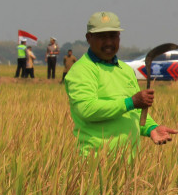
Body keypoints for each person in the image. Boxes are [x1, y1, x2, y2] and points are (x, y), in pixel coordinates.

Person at [65, 11, 176, 157]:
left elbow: (135, 112)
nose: (109, 42)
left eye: (113, 36)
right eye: (102, 37)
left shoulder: (125, 70)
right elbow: (86, 109)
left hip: (128, 164)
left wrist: (151, 128)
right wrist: (131, 102)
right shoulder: (82, 70)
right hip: (94, 161)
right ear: (88, 38)